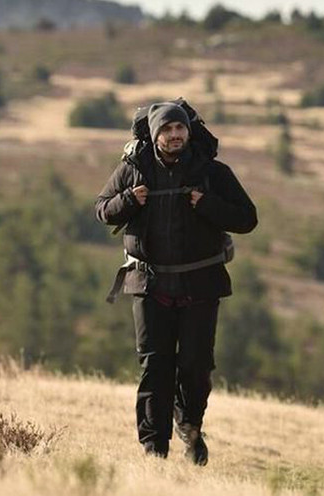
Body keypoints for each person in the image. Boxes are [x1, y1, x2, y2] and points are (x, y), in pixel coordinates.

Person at [95, 100, 257, 464]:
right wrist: (127, 201)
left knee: (196, 367)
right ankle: (154, 451)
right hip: (149, 285)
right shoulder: (132, 170)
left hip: (201, 286)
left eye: (179, 128)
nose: (174, 135)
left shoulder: (212, 173)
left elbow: (248, 218)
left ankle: (190, 427)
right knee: (155, 367)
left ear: (188, 131)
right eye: (166, 130)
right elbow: (102, 209)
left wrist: (208, 204)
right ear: (154, 135)